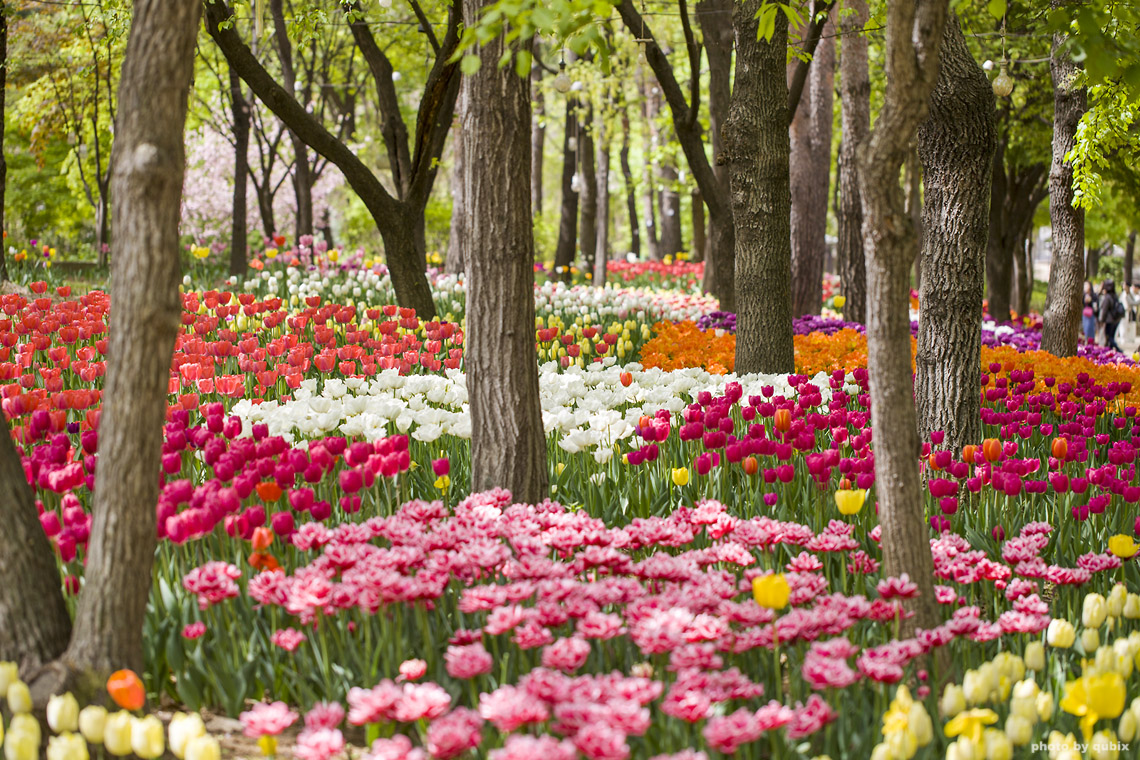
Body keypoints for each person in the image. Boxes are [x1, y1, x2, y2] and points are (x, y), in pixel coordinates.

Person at [1098, 279, 1123, 353]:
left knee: (1109, 337)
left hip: (1109, 320)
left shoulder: (1107, 297)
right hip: (1116, 319)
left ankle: (1118, 349)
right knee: (1111, 336)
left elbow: (1104, 310)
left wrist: (1102, 320)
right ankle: (1110, 350)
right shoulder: (1115, 296)